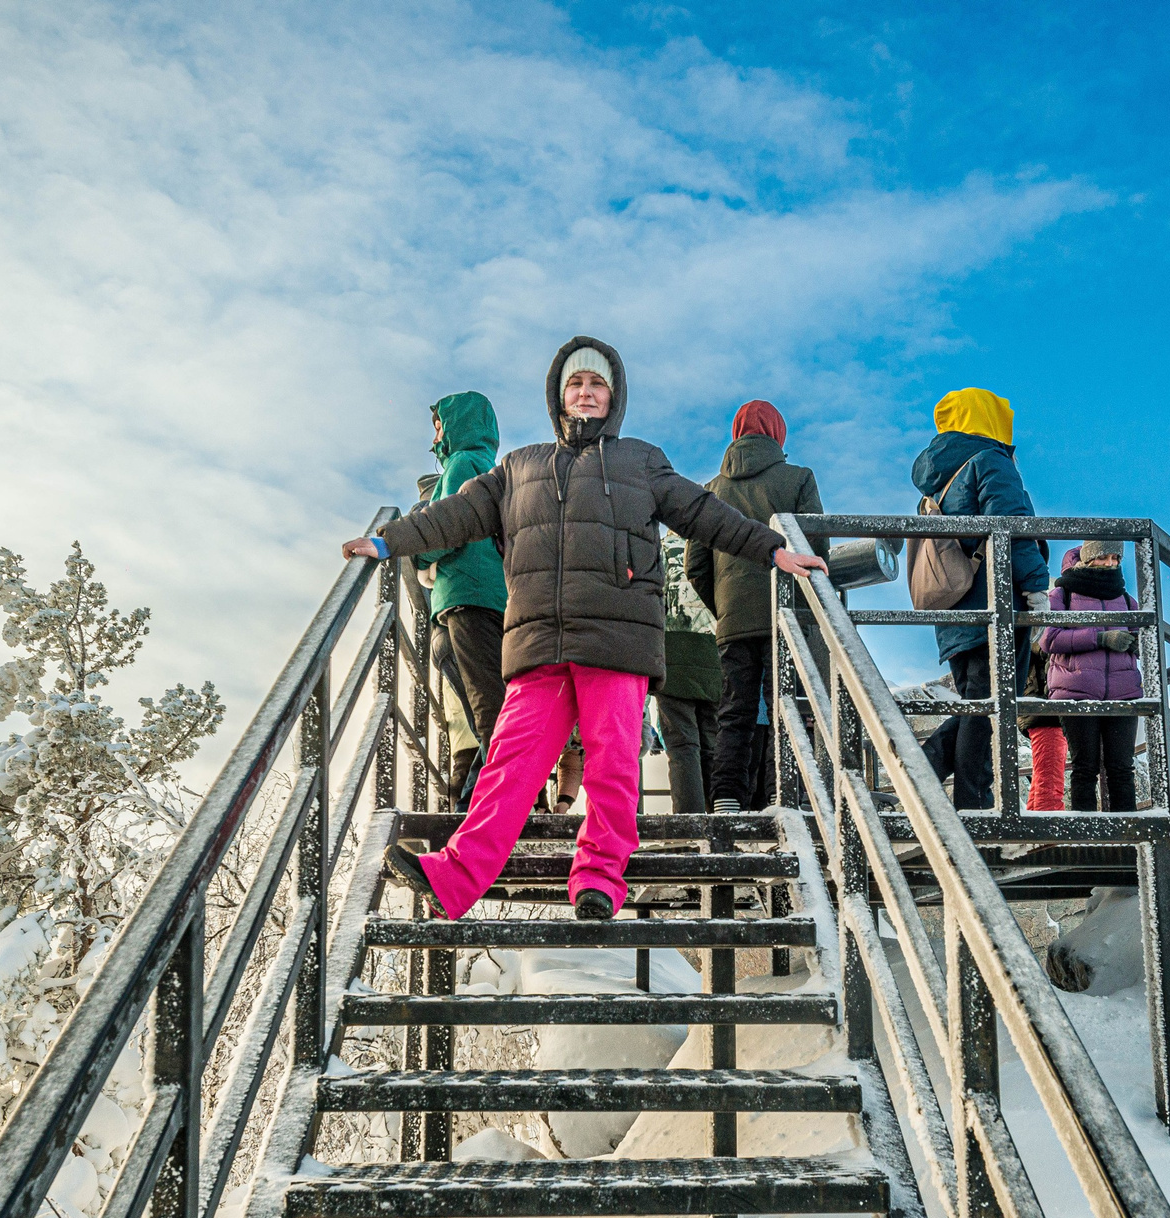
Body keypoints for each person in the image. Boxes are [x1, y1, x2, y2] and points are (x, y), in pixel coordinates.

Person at [343, 338, 826, 921]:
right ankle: (454, 876)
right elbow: (454, 514)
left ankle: (599, 878)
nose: (586, 393)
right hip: (539, 639)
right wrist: (387, 542)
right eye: (576, 384)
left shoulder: (641, 462)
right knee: (509, 764)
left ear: (613, 396)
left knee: (613, 763)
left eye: (596, 385)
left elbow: (707, 516)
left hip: (617, 636)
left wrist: (775, 550)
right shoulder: (518, 469)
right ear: (559, 395)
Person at [912, 388, 1049, 810]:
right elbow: (1012, 527)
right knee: (989, 707)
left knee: (979, 703)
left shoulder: (935, 479)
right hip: (994, 604)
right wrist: (1036, 586)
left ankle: (935, 775)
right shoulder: (989, 461)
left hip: (951, 609)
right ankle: (962, 792)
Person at [686, 400, 824, 812]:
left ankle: (726, 796)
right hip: (785, 618)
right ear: (777, 433)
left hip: (733, 620)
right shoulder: (799, 478)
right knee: (787, 707)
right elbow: (815, 550)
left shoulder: (711, 490)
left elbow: (696, 566)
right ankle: (783, 795)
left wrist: (725, 608)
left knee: (734, 711)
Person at [414, 394, 506, 805]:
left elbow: (444, 526)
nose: (434, 437)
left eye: (439, 425)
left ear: (458, 425)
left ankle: (474, 814)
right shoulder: (497, 471)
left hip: (466, 599)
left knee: (490, 718)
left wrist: (418, 557)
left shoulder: (462, 465)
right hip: (493, 601)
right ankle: (482, 808)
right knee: (495, 716)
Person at [1037, 538, 1142, 812]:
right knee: (1085, 768)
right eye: (1103, 557)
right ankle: (1086, 839)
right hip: (1075, 691)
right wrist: (1101, 638)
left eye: (1115, 558)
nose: (1110, 564)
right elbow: (1048, 639)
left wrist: (1138, 642)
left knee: (1122, 769)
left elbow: (1146, 640)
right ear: (1087, 558)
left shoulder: (1127, 600)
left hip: (1124, 692)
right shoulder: (1062, 595)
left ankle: (1126, 841)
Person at [655, 537, 723, 813]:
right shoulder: (716, 545)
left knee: (682, 746)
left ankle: (689, 827)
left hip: (672, 652)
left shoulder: (658, 546)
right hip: (715, 651)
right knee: (714, 744)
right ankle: (719, 825)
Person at [1022, 550, 1076, 811]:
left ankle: (1037, 822)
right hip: (1043, 702)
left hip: (1039, 701)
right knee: (1050, 769)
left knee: (1046, 767)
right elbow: (1039, 646)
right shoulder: (1034, 619)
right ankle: (1047, 821)